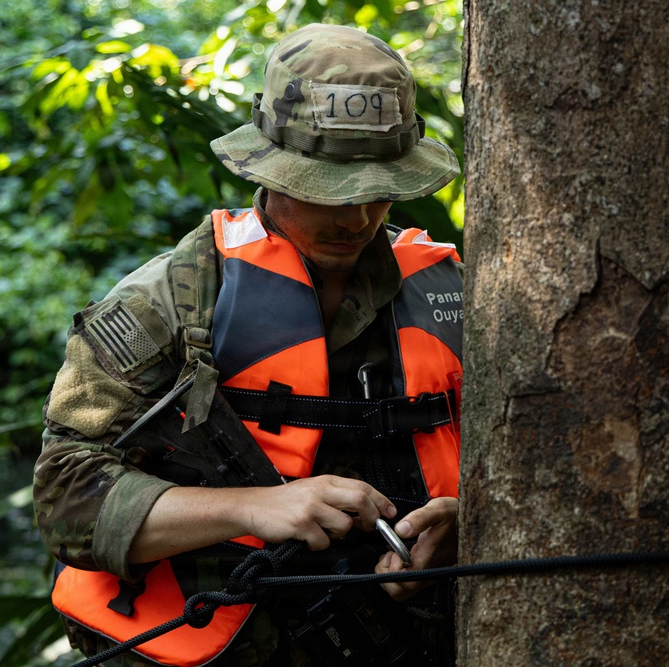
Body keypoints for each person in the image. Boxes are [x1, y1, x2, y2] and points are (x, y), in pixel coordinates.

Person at [34, 23, 462, 667]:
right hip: (211, 644)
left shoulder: (455, 295)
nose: (355, 217)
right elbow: (67, 500)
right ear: (271, 168)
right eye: (328, 189)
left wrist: (464, 524)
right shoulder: (170, 301)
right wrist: (256, 508)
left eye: (378, 189)